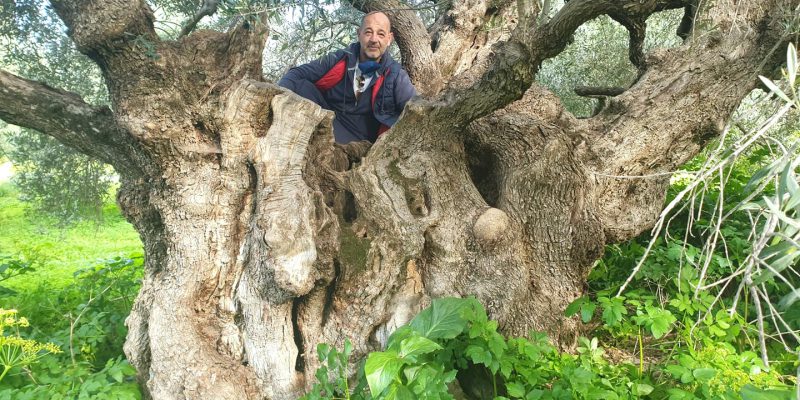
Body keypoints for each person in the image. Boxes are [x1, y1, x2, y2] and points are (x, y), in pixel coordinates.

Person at [278, 12, 416, 144]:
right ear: (359, 34)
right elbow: (296, 74)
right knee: (298, 84)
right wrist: (276, 99)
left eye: (381, 34)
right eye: (368, 32)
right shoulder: (339, 58)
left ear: (389, 39)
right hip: (327, 120)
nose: (374, 39)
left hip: (361, 139)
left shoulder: (395, 74)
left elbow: (415, 110)